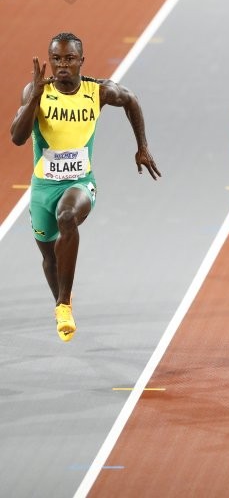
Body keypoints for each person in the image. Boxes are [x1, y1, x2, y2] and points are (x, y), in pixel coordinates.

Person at [10, 32, 161, 342]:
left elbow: (130, 99)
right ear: (50, 61)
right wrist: (35, 98)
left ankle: (64, 303)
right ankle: (61, 305)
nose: (62, 65)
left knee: (67, 217)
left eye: (68, 58)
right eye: (56, 59)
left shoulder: (98, 91)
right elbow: (17, 136)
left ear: (81, 60)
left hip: (80, 183)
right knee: (50, 257)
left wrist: (142, 146)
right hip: (42, 189)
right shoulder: (36, 91)